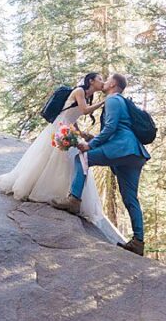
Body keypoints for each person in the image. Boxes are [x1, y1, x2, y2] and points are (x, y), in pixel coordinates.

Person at [0, 72, 126, 246]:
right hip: (59, 127)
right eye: (100, 79)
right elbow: (84, 110)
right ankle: (38, 188)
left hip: (67, 128)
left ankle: (66, 195)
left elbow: (74, 116)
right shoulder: (79, 91)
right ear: (91, 81)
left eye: (104, 80)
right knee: (50, 157)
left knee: (69, 160)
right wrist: (104, 101)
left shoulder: (87, 95)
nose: (102, 82)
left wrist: (80, 133)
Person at [58, 72, 148, 256]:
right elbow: (118, 127)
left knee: (81, 158)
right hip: (134, 153)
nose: (104, 83)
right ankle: (138, 242)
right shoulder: (121, 101)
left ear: (113, 84)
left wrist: (90, 145)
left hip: (122, 147)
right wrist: (92, 139)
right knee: (130, 198)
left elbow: (111, 127)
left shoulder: (113, 99)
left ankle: (74, 200)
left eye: (107, 80)